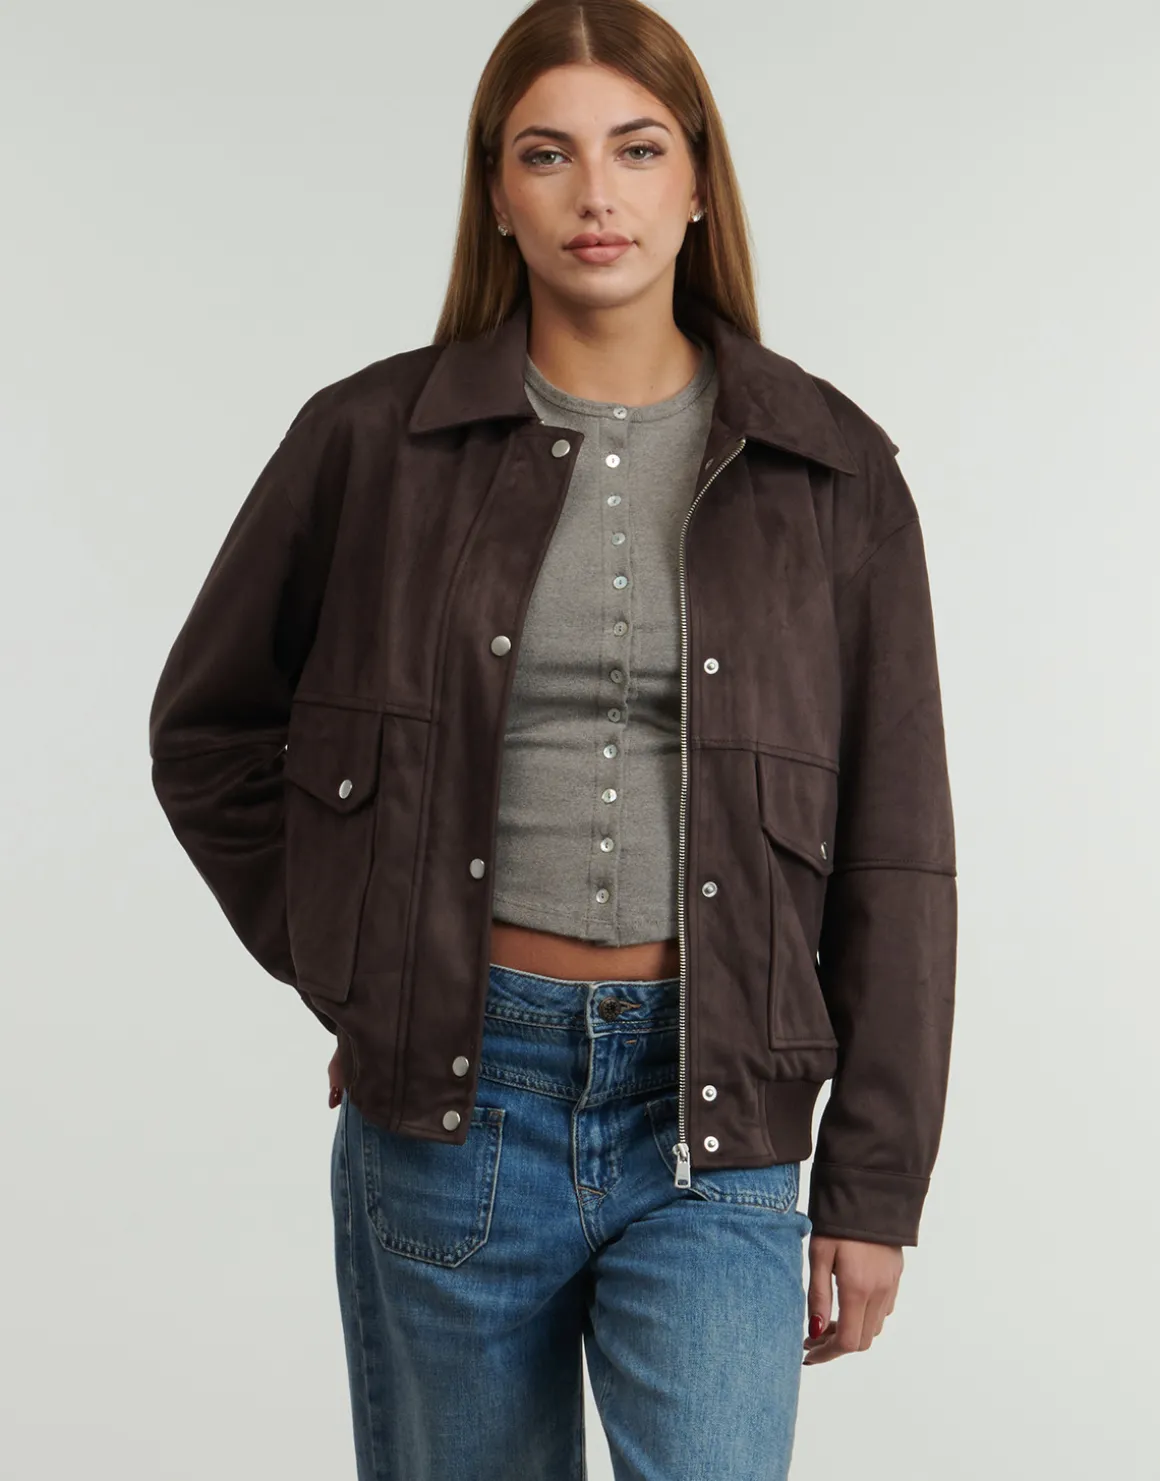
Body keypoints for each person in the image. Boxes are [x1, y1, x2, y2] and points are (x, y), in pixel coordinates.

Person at [148, 1, 957, 1475]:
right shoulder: (369, 443)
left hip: (721, 1109)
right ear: (497, 192)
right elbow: (209, 733)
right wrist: (371, 968)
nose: (597, 194)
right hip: (458, 1100)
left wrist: (876, 1184)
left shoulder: (832, 471)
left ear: (698, 183)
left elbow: (899, 848)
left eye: (638, 150)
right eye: (548, 154)